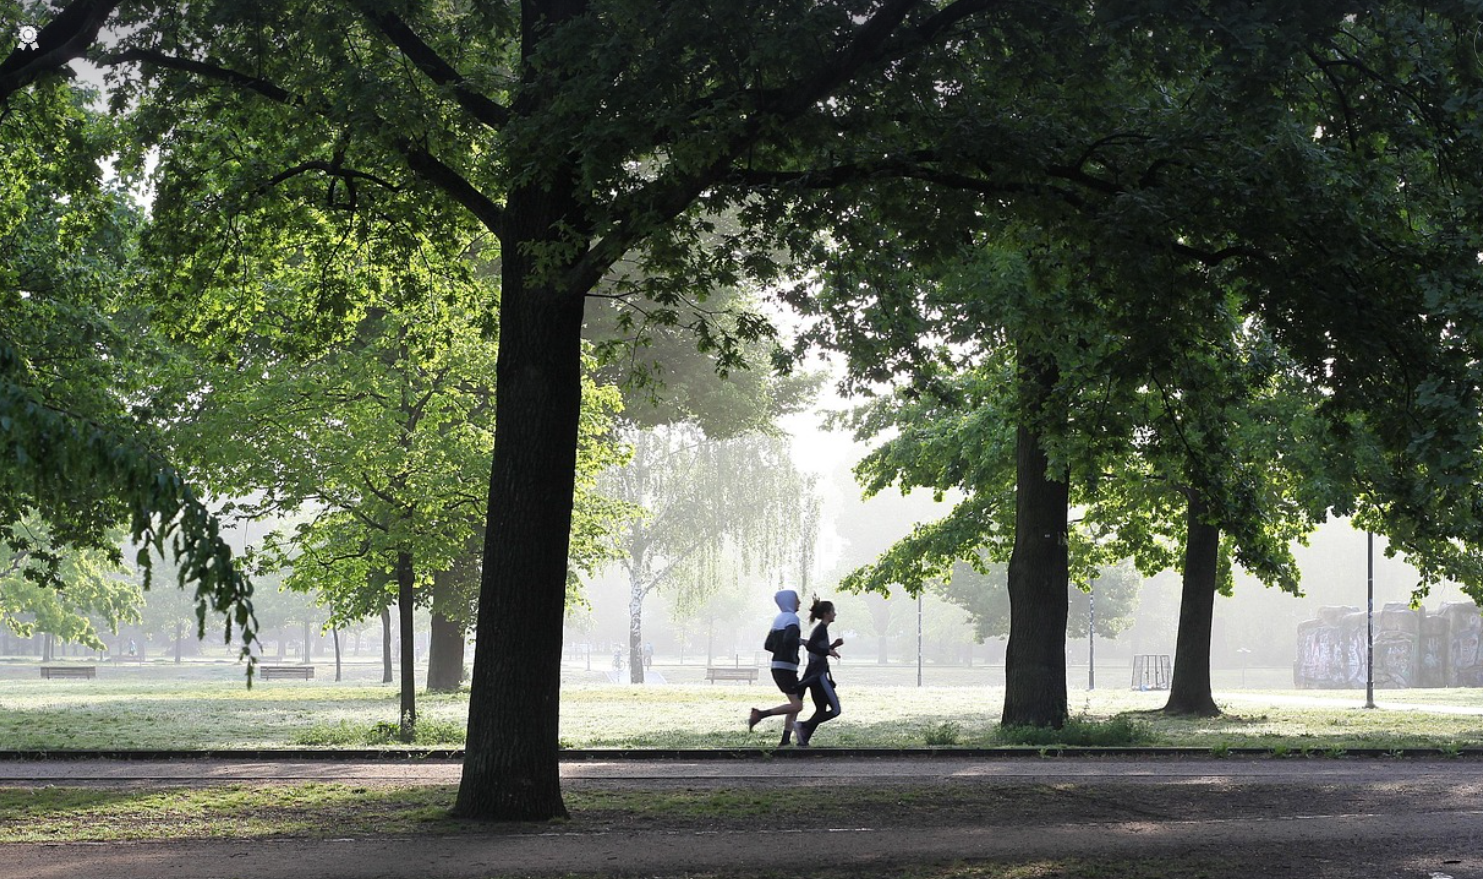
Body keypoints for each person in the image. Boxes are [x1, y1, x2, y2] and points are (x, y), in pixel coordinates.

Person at [748, 588, 804, 746]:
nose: (799, 602)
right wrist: (801, 643)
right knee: (797, 705)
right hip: (786, 667)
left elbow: (768, 645)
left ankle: (785, 740)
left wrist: (781, 651)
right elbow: (789, 639)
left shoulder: (778, 619)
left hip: (778, 666)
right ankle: (760, 714)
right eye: (797, 599)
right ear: (790, 602)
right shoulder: (793, 619)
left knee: (795, 705)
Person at [795, 597, 844, 748]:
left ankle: (803, 738)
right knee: (835, 710)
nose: (835, 614)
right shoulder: (820, 629)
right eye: (833, 611)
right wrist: (828, 651)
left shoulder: (821, 630)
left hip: (815, 676)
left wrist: (832, 646)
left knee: (821, 709)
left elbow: (816, 649)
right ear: (826, 614)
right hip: (819, 675)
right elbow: (811, 647)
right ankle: (803, 726)